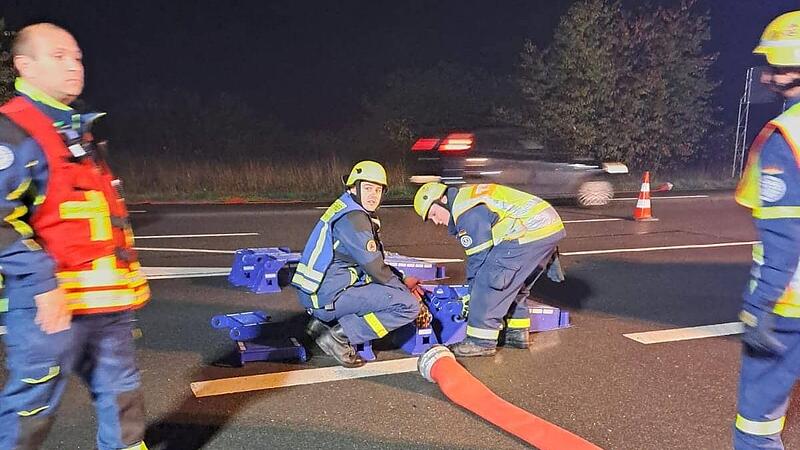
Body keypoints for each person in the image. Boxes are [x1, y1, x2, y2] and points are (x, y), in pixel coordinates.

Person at [0, 23, 150, 450]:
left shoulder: (77, 129)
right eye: (60, 56)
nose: (74, 65)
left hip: (106, 306)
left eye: (78, 57)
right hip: (50, 308)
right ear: (24, 66)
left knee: (122, 397)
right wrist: (41, 283)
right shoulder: (15, 131)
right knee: (32, 407)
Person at [734, 10, 800, 450]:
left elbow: (785, 237)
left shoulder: (787, 134)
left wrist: (759, 308)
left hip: (790, 308)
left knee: (755, 427)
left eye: (777, 69)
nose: (769, 79)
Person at [292, 161, 421, 368]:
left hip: (317, 293)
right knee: (407, 306)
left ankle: (321, 325)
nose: (373, 195)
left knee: (384, 289)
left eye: (378, 190)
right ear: (353, 188)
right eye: (367, 188)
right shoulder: (355, 218)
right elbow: (374, 268)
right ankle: (339, 337)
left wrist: (400, 277)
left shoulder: (345, 208)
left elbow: (370, 261)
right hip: (328, 297)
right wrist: (402, 288)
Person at [413, 181, 565, 357]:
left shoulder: (465, 212)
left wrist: (473, 295)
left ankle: (480, 342)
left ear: (443, 199)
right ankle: (516, 333)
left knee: (489, 280)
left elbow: (479, 259)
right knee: (513, 283)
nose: (436, 221)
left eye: (434, 213)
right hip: (546, 226)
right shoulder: (469, 197)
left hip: (530, 232)